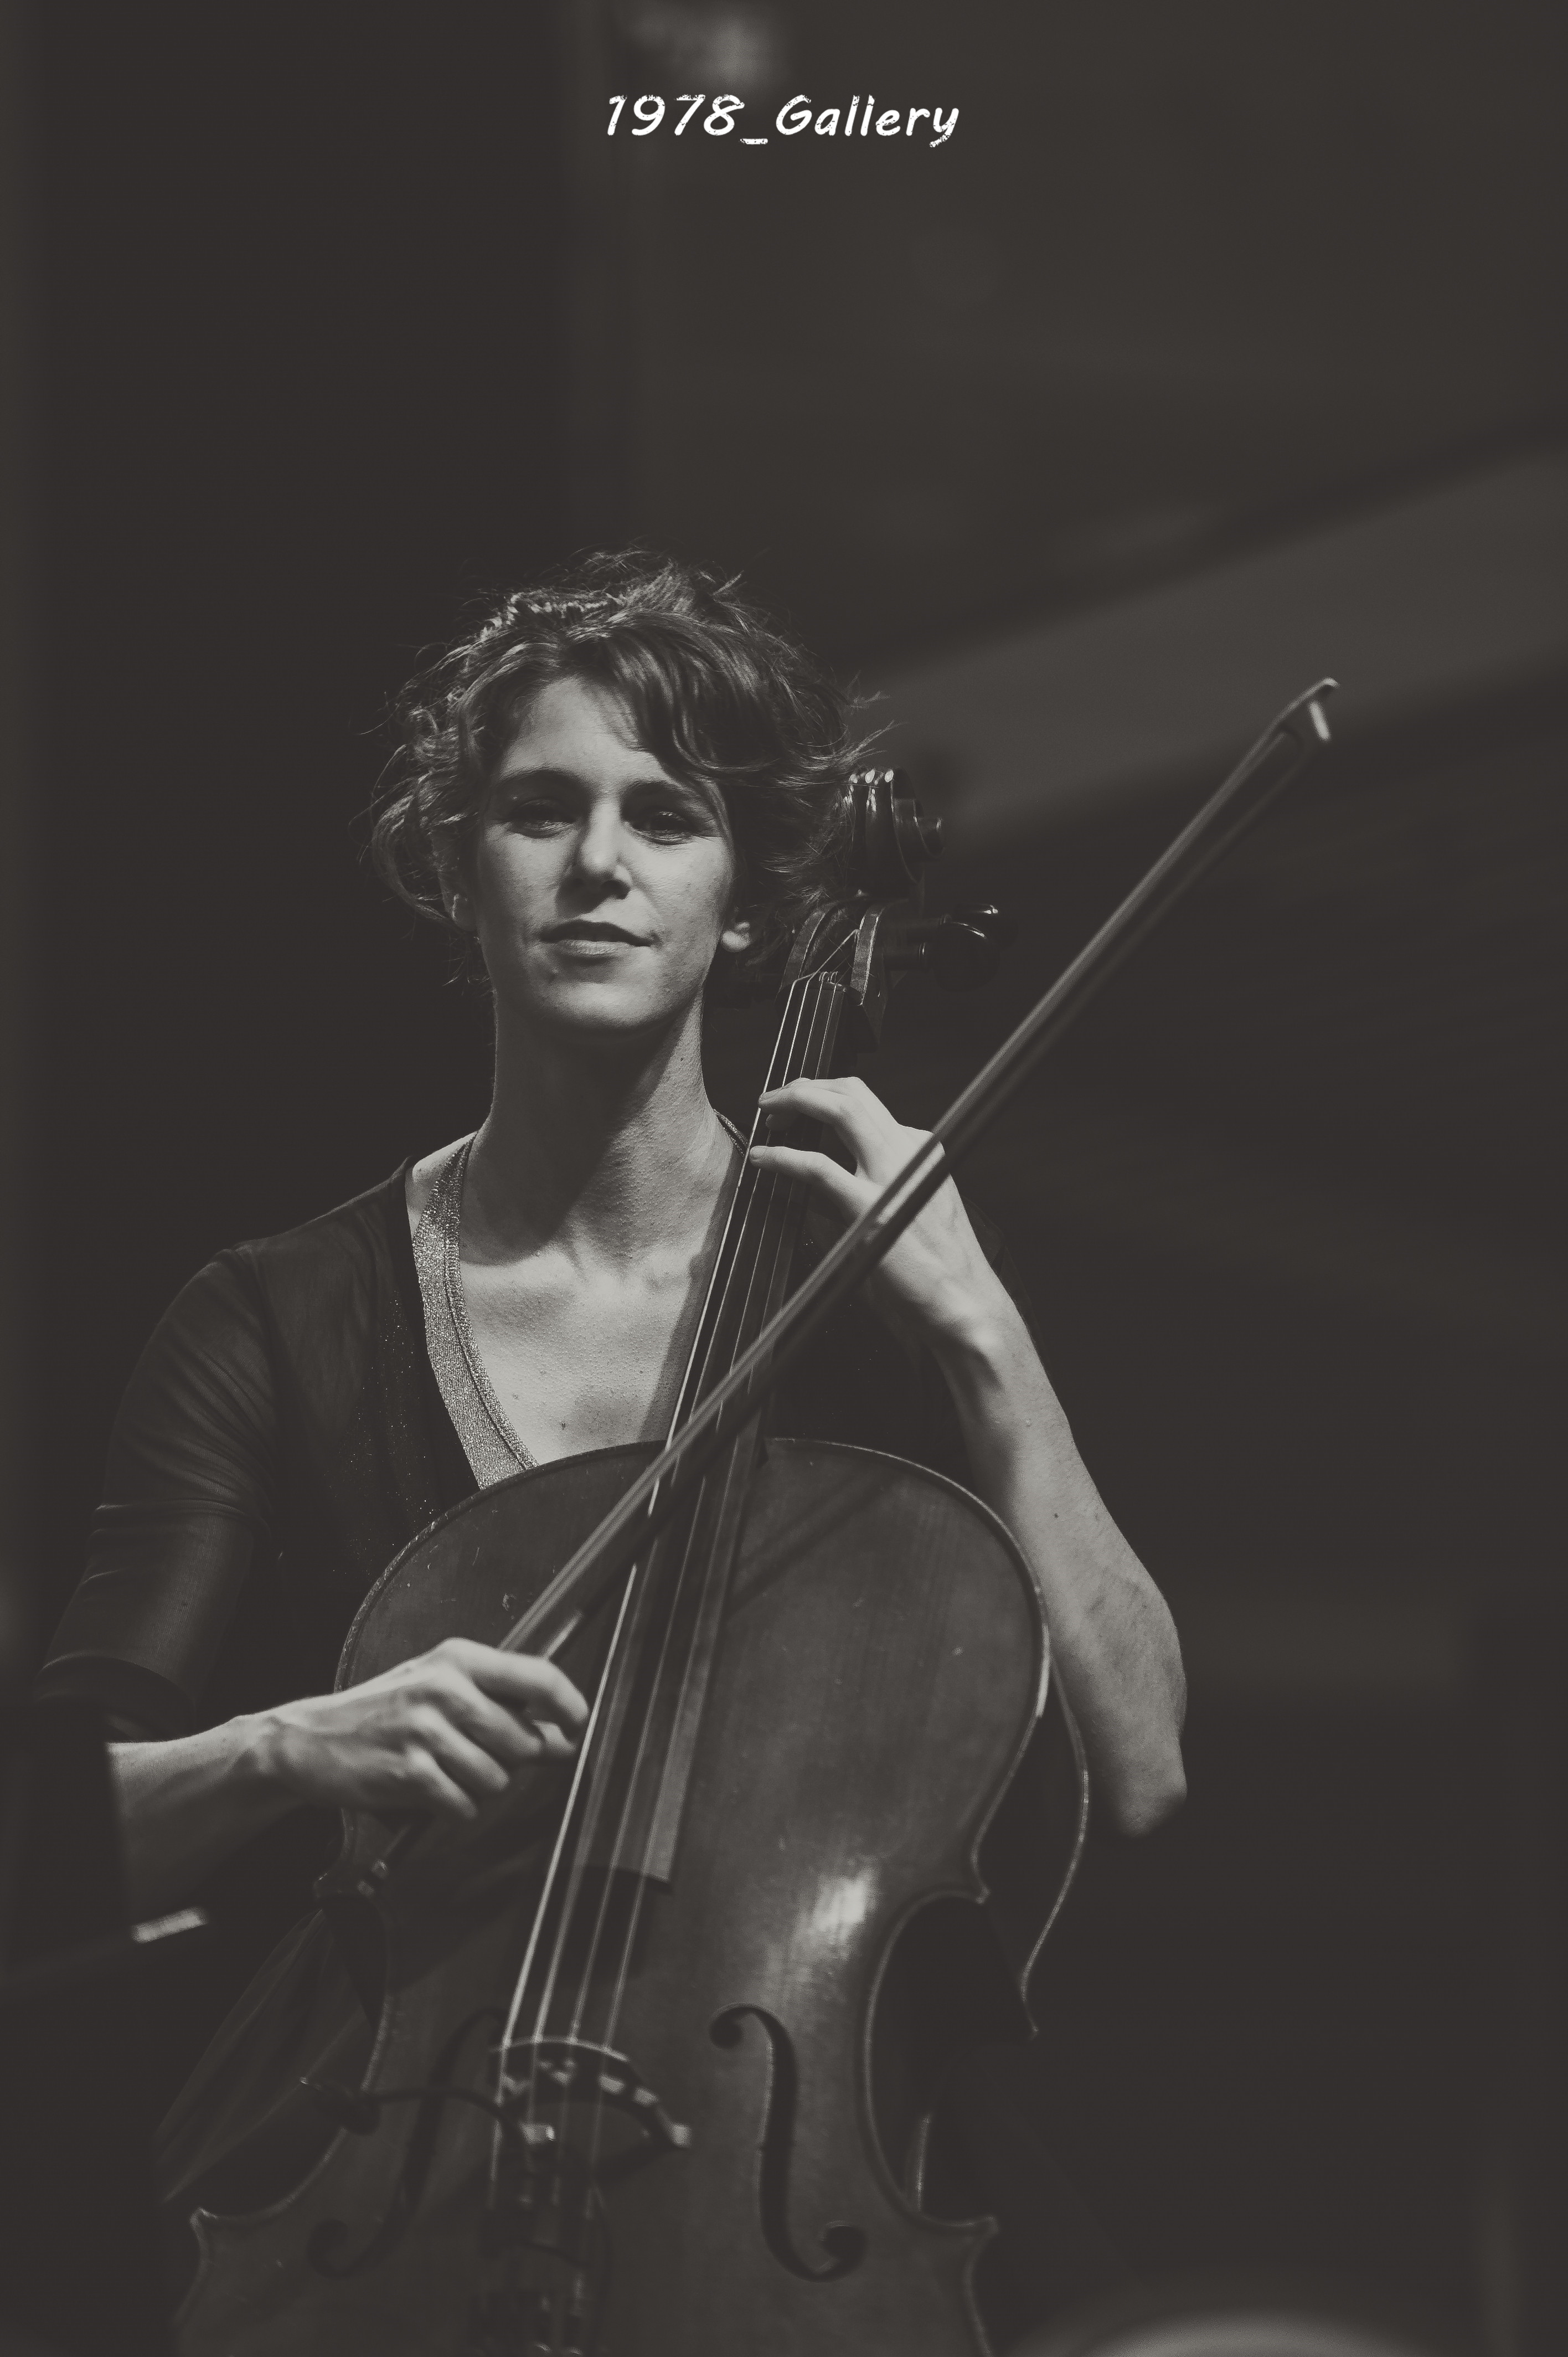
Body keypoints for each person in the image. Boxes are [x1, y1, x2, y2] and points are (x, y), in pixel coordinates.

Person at [38, 551, 1186, 2337]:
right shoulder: (273, 1318)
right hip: (388, 2174)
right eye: (538, 811)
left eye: (665, 815)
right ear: (458, 871)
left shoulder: (880, 1286)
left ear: (745, 906)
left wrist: (982, 1337)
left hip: (803, 2166)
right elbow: (49, 1835)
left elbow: (1141, 1767)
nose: (598, 864)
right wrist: (290, 1746)